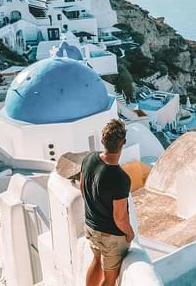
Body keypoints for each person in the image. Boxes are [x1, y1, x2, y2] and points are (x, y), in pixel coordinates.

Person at [80, 119, 133, 286]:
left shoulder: (88, 159)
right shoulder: (120, 178)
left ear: (103, 140)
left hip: (91, 226)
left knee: (96, 261)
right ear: (123, 143)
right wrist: (130, 234)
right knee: (109, 279)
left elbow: (82, 188)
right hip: (110, 235)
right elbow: (120, 218)